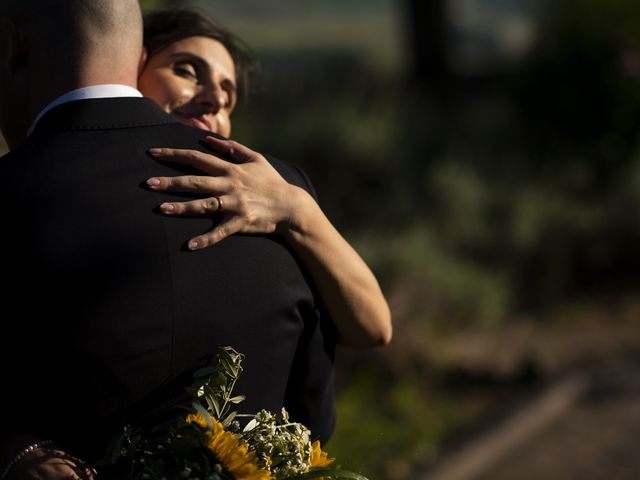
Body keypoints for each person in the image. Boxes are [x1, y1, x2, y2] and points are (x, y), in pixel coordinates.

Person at [0, 1, 332, 478]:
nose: (213, 99)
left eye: (228, 91)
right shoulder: (279, 191)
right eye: (187, 69)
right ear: (139, 60)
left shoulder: (11, 194)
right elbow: (315, 418)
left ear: (13, 44)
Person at [137, 9, 392, 349]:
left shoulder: (272, 192)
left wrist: (298, 209)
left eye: (228, 98)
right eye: (186, 71)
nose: (215, 99)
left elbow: (375, 327)